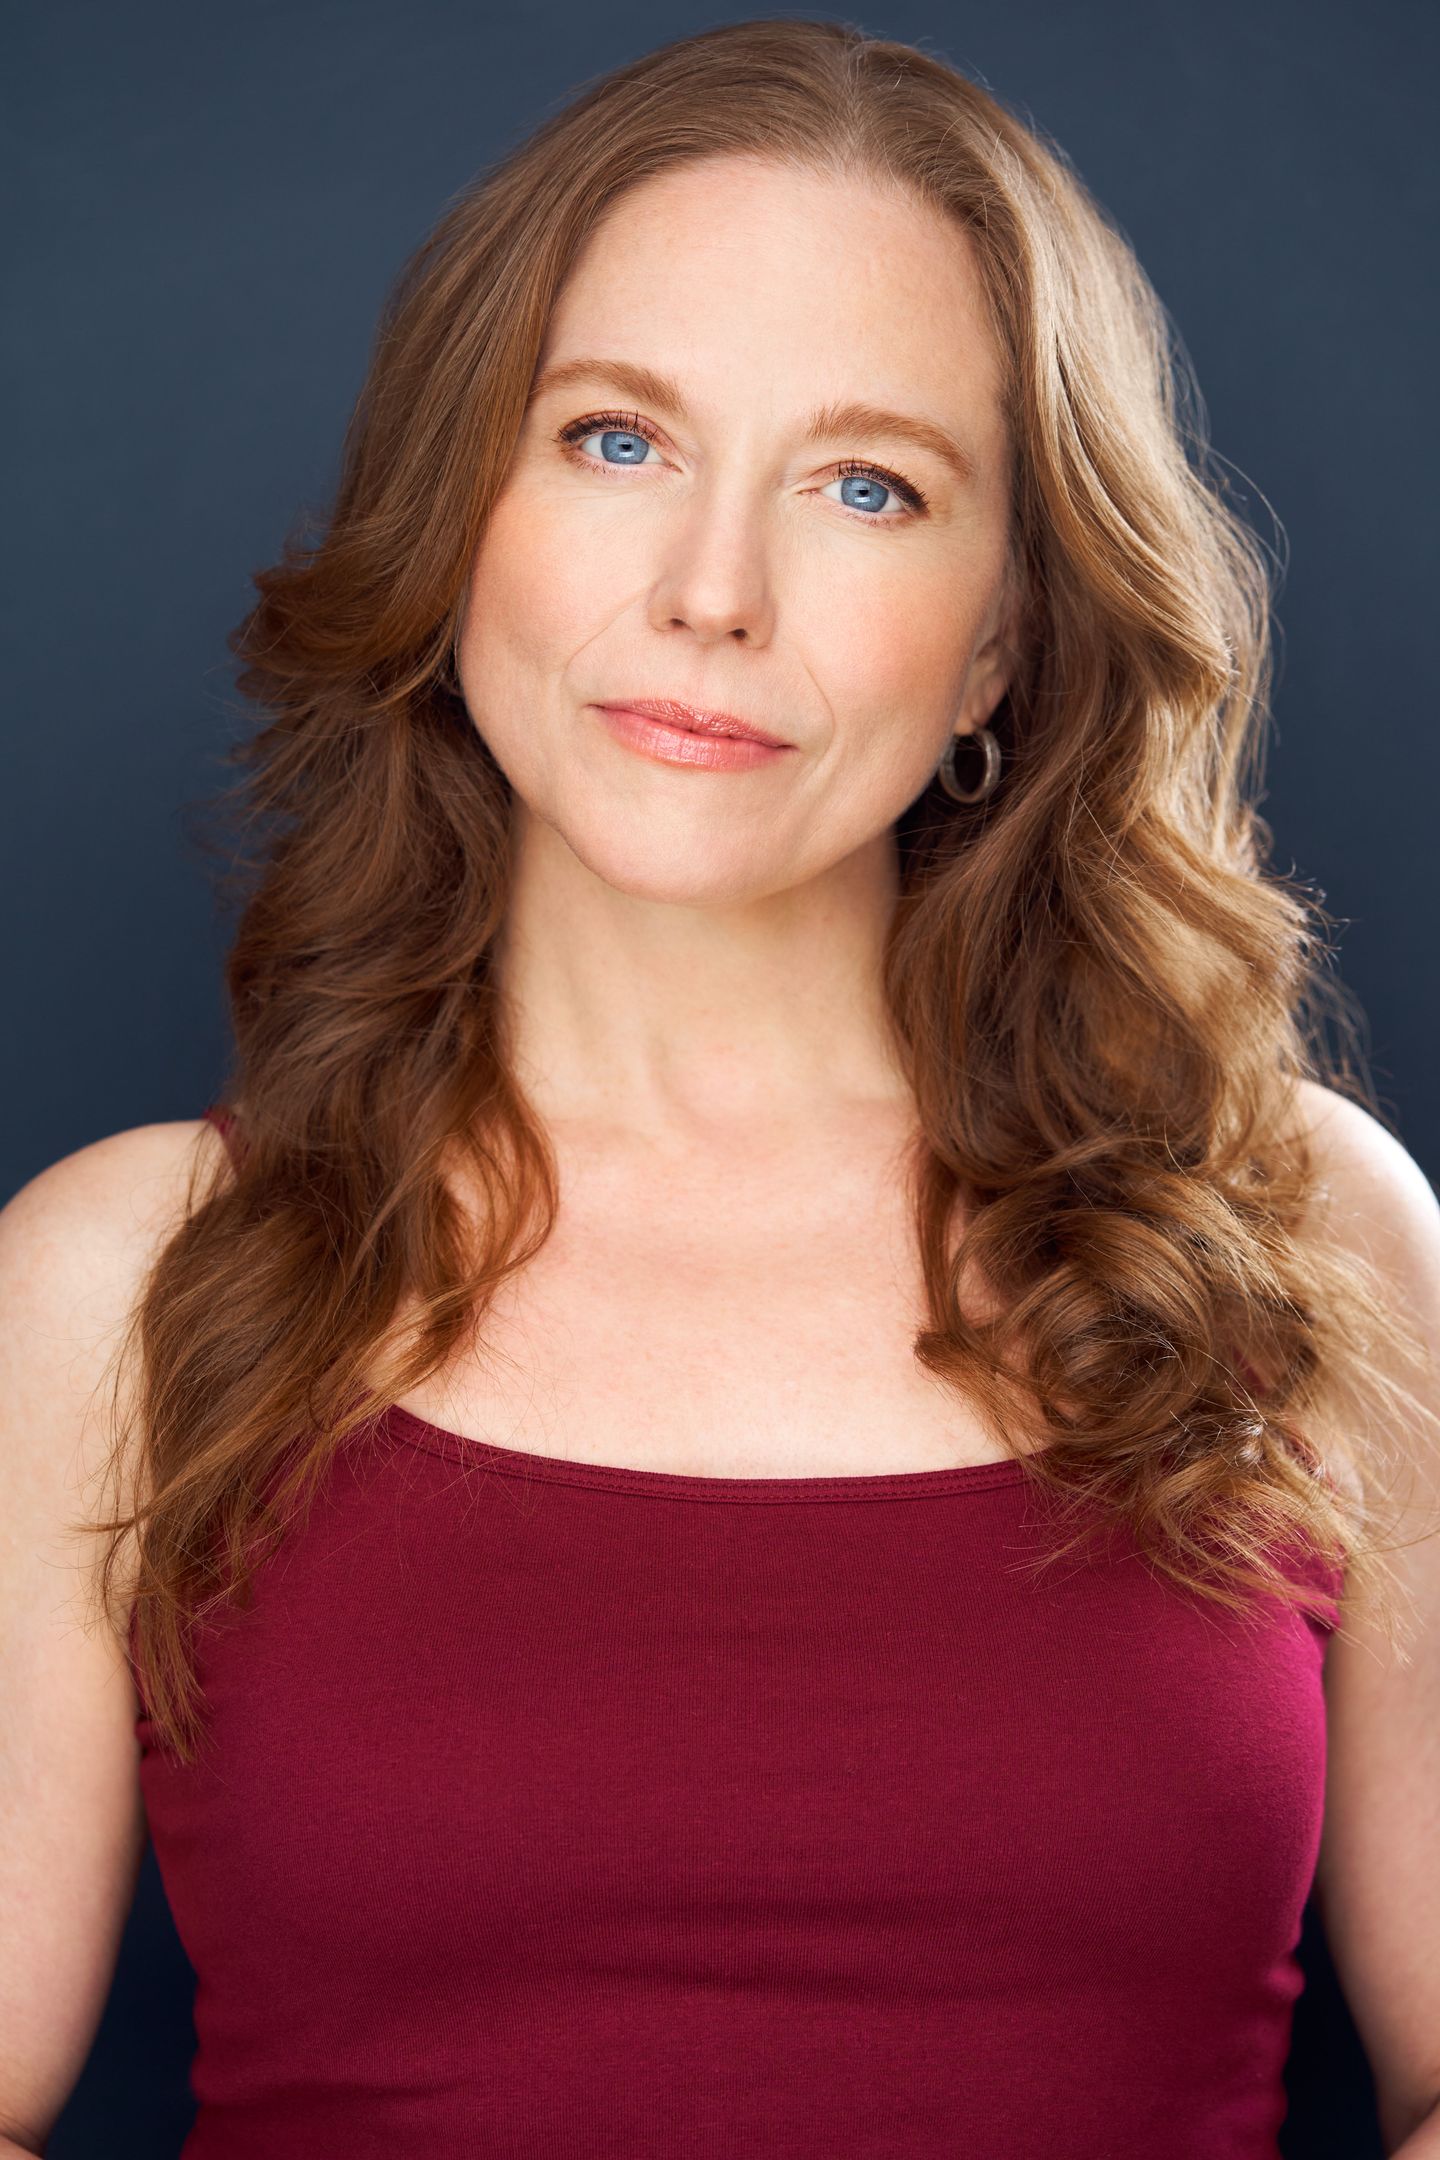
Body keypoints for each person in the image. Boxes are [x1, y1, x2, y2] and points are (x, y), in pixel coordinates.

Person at [3, 18, 1438, 2158]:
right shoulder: (116, 1289)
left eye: (869, 488)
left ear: (1003, 642)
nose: (712, 593)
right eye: (614, 440)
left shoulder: (1306, 1240)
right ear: (458, 516)